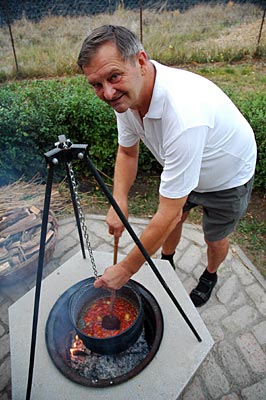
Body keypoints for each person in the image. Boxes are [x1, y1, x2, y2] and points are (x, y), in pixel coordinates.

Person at [77, 25, 257, 307]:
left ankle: (210, 274)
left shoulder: (183, 115)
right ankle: (167, 261)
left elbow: (168, 214)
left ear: (140, 61)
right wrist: (119, 199)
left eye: (113, 77)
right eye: (97, 84)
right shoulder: (128, 96)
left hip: (228, 177)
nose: (108, 93)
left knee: (214, 236)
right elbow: (127, 152)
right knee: (176, 218)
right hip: (188, 167)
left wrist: (126, 269)